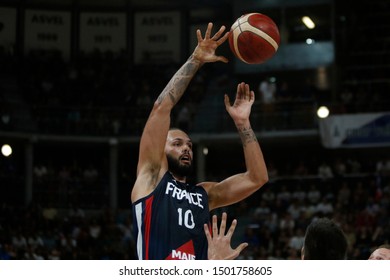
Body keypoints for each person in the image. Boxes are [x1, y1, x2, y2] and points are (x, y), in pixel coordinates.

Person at [131, 22, 268, 260]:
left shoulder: (204, 194)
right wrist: (196, 60)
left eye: (189, 145)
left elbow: (257, 178)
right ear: (160, 150)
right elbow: (161, 107)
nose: (185, 147)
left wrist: (243, 124)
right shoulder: (151, 178)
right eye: (176, 143)